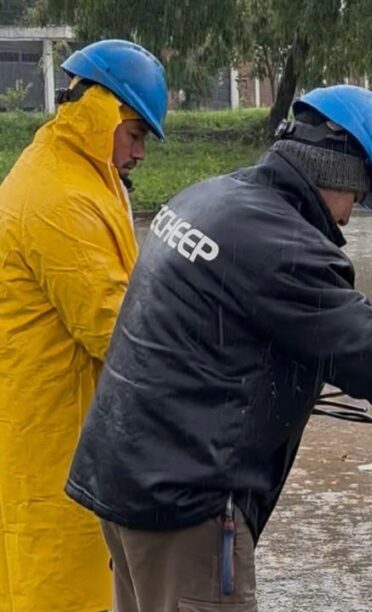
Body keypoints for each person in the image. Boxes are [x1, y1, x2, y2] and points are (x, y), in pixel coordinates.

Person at [64, 84, 372, 611]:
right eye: (357, 197)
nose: (347, 218)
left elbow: (215, 347)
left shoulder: (208, 198)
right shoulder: (283, 245)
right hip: (187, 505)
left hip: (124, 476)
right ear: (336, 170)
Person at [0, 39, 168, 612]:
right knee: (62, 590)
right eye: (137, 134)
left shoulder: (78, 173)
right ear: (104, 114)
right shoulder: (60, 199)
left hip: (68, 433)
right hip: (57, 441)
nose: (140, 154)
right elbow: (120, 331)